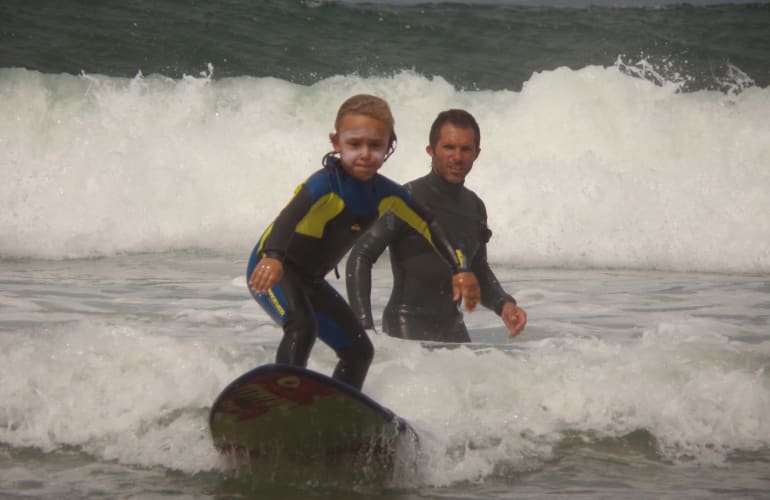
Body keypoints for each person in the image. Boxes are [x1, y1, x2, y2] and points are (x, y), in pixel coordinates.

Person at [247, 95, 481, 391]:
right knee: (302, 327)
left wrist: (460, 268)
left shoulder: (386, 194)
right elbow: (287, 220)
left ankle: (338, 408)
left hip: (311, 281)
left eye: (375, 145)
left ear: (389, 146)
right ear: (336, 143)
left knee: (359, 352)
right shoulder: (323, 185)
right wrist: (272, 256)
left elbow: (429, 223)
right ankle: (283, 398)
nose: (365, 154)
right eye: (355, 144)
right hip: (273, 269)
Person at [346, 109, 527, 343]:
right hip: (407, 325)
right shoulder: (406, 199)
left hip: (454, 328)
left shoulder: (475, 207)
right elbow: (361, 255)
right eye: (448, 147)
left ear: (477, 154)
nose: (457, 157)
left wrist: (504, 304)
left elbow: (477, 268)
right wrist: (363, 326)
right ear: (431, 150)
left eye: (466, 149)